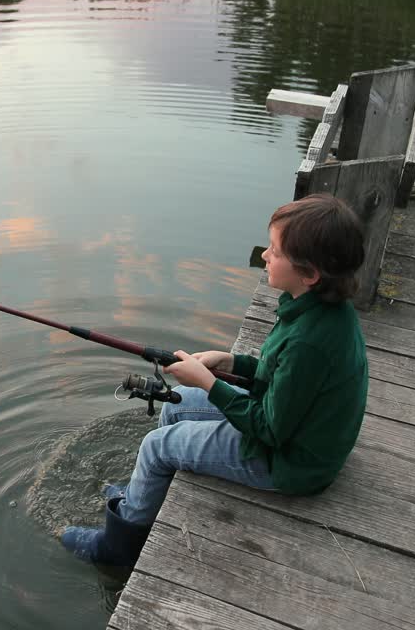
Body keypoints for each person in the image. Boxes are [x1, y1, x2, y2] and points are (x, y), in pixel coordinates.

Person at [61, 193, 370, 566]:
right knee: (177, 406)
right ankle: (140, 500)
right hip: (296, 432)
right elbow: (285, 379)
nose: (265, 256)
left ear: (310, 273)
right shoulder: (317, 310)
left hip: (292, 463)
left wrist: (209, 383)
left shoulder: (310, 340)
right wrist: (231, 361)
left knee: (158, 447)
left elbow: (270, 428)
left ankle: (118, 548)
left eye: (275, 250)